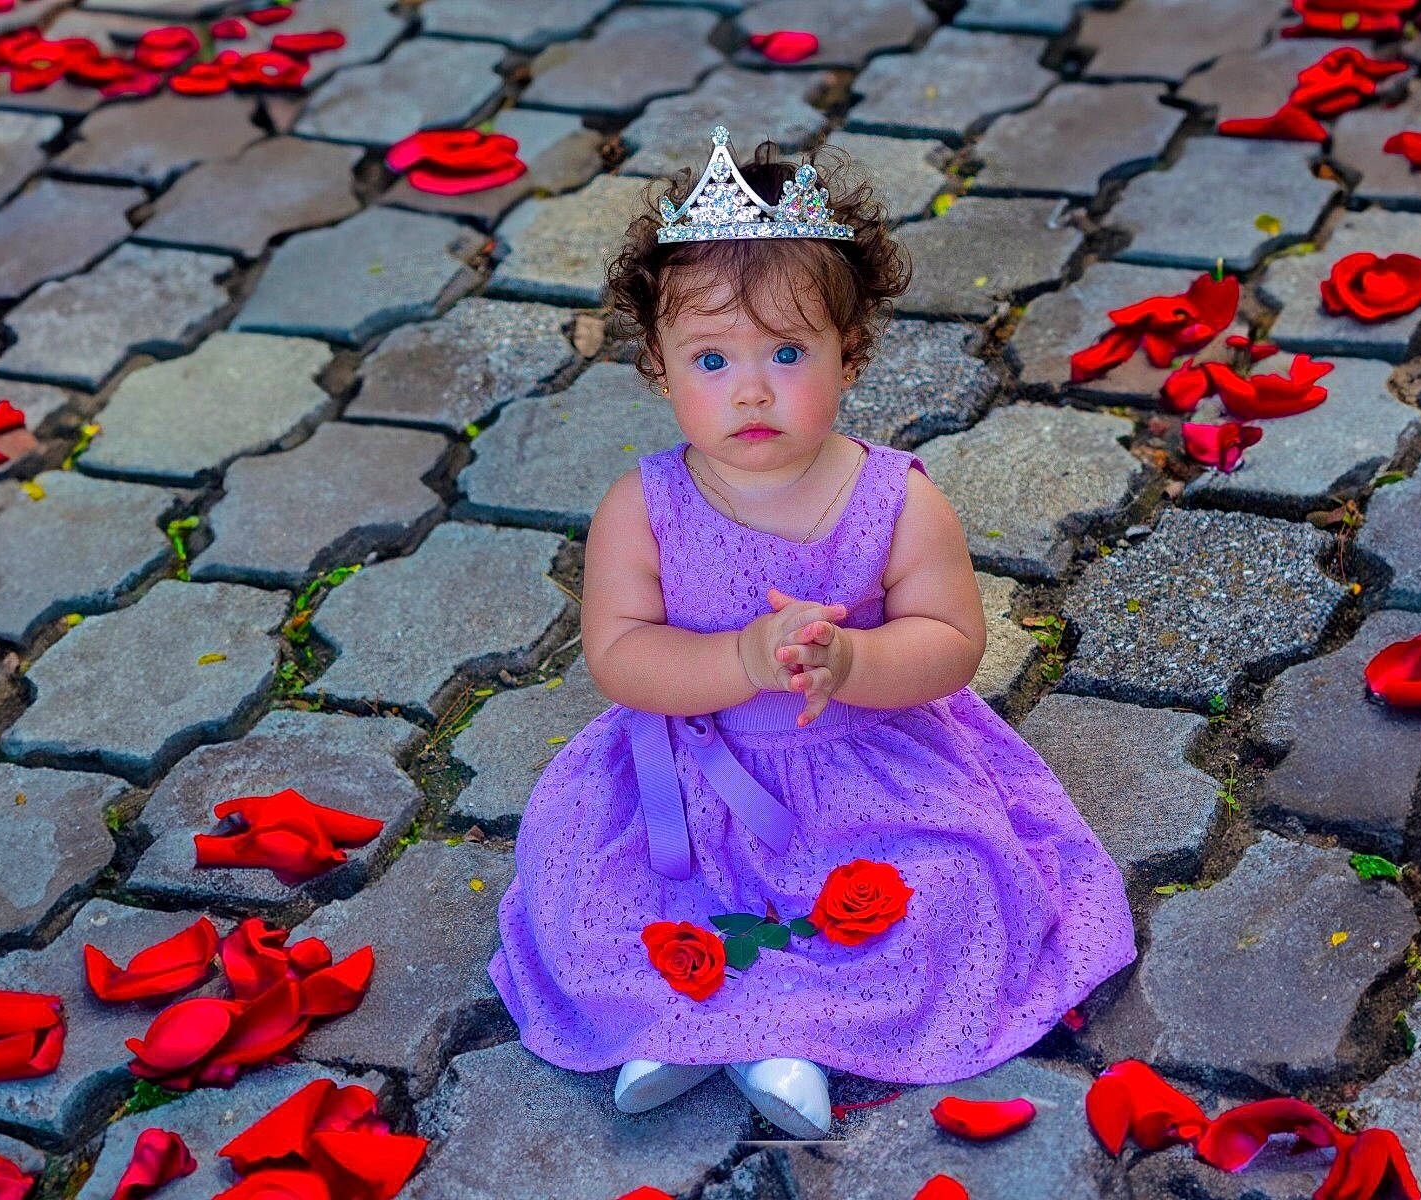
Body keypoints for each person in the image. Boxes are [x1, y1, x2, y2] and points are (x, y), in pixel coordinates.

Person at [487, 126, 1137, 1139]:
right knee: (602, 893)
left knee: (941, 889)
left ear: (850, 355)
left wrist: (860, 660)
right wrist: (736, 659)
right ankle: (670, 1023)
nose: (751, 388)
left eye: (786, 353)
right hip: (692, 776)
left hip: (867, 764)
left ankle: (792, 1041)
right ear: (659, 368)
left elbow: (952, 640)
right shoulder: (641, 507)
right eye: (711, 358)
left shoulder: (894, 500)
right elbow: (619, 655)